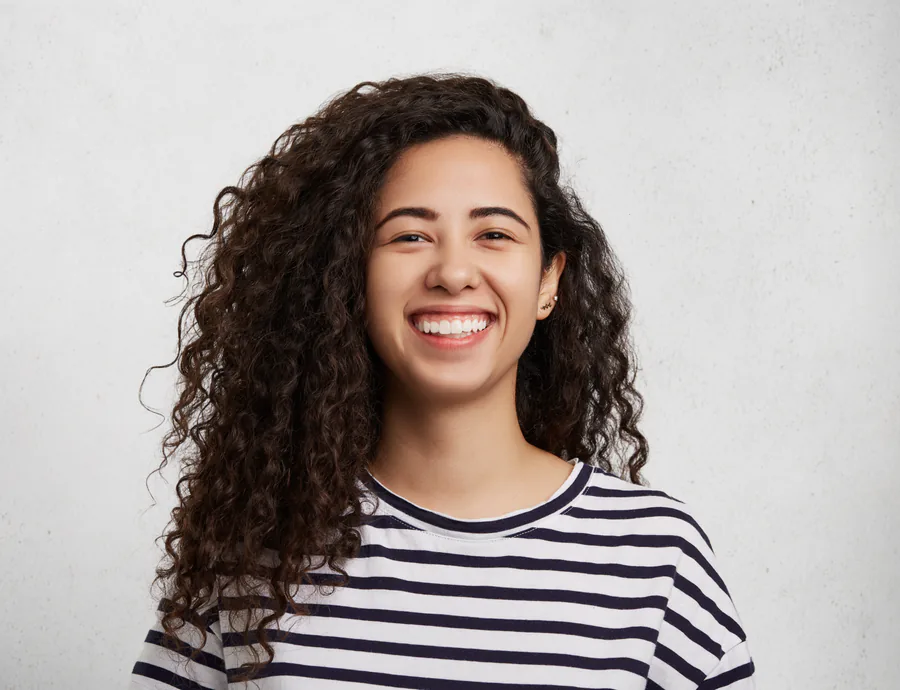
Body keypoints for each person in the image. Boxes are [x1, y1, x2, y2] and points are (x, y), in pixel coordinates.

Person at [129, 72, 756, 689]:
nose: (454, 271)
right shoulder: (255, 556)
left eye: (494, 234)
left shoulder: (653, 559)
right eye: (409, 235)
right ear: (349, 278)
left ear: (548, 282)